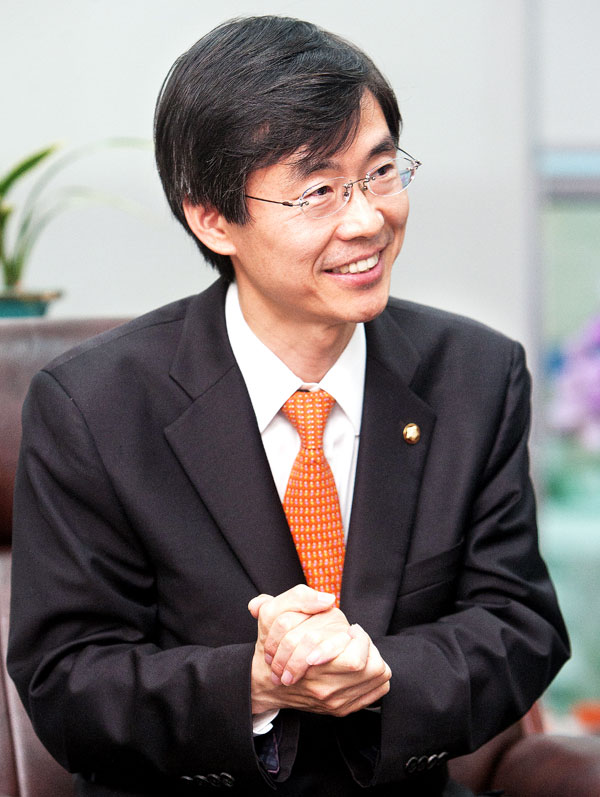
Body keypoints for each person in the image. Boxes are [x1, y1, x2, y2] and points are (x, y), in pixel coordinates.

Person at [8, 15, 569, 797]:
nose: (367, 219)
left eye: (380, 172)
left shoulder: (475, 375)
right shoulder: (95, 405)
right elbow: (68, 678)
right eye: (318, 191)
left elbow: (519, 624)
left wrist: (382, 672)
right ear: (212, 216)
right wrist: (255, 683)